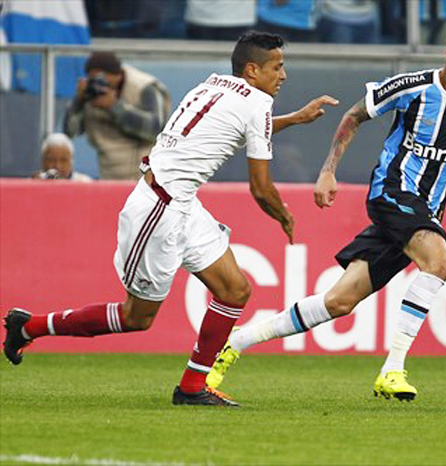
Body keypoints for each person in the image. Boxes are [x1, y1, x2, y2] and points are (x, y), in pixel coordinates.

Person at [3, 31, 338, 407]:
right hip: (158, 209)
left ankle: (193, 387)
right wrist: (285, 215)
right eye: (277, 67)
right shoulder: (256, 103)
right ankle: (29, 325)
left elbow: (240, 127)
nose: (284, 75)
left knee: (234, 290)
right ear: (252, 70)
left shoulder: (215, 85)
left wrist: (292, 119)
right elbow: (261, 189)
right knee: (136, 317)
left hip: (181, 203)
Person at [206, 18, 446, 402]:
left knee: (338, 302)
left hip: (426, 211)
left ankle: (237, 340)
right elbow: (354, 115)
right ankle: (393, 369)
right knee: (439, 262)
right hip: (392, 192)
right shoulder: (412, 87)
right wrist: (329, 170)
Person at [63, 51, 171, 180]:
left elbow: (156, 131)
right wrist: (78, 101)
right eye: (94, 78)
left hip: (143, 177)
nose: (100, 83)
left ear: (118, 75)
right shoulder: (89, 93)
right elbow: (70, 132)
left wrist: (115, 107)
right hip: (108, 176)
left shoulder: (144, 87)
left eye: (104, 78)